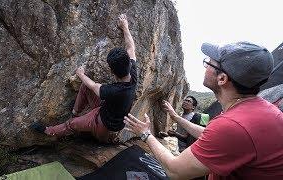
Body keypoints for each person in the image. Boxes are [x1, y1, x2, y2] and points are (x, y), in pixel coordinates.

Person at [124, 42, 283, 179]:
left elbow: (175, 171)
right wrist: (175, 116)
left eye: (209, 63)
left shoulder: (234, 125)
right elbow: (213, 136)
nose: (206, 65)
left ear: (222, 79)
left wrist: (145, 133)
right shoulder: (261, 110)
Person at [31, 14, 137, 143]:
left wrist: (80, 74)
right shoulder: (132, 74)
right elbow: (131, 48)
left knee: (71, 124)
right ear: (128, 63)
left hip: (103, 125)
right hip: (108, 111)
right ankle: (76, 112)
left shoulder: (115, 91)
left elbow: (94, 86)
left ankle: (49, 131)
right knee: (85, 86)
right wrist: (125, 27)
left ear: (112, 72)